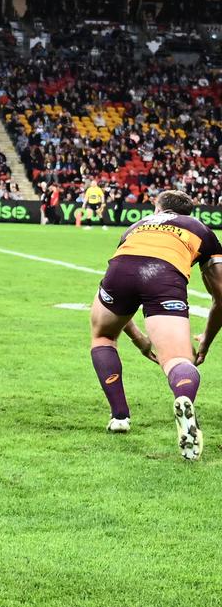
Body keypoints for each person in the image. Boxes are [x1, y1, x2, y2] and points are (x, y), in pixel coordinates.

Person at [89, 189, 222, 460]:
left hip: (120, 271)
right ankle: (183, 397)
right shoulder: (200, 229)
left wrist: (140, 341)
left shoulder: (135, 227)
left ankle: (120, 417)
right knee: (176, 360)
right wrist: (205, 343)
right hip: (164, 276)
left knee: (103, 337)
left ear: (157, 208)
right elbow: (220, 295)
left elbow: (122, 281)